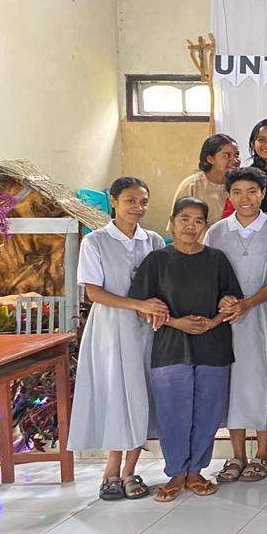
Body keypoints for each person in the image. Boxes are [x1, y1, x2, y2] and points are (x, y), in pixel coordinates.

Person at [129, 197, 243, 502]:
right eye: (184, 219)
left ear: (206, 225)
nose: (191, 227)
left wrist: (214, 320)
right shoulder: (157, 261)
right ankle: (176, 472)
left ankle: (197, 471)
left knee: (207, 410)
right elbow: (142, 306)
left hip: (213, 343)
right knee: (172, 411)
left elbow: (232, 300)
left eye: (198, 221)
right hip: (170, 346)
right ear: (172, 221)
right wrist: (177, 323)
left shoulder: (216, 259)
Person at [70, 176, 167, 501]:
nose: (137, 208)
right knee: (116, 396)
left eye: (142, 202)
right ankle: (110, 471)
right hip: (110, 330)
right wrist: (136, 303)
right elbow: (94, 291)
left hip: (144, 332)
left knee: (139, 396)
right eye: (130, 200)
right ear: (113, 201)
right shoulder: (95, 242)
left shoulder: (152, 240)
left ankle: (129, 471)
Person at [205, 168, 267, 484]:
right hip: (227, 317)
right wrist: (225, 302)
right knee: (234, 382)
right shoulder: (215, 232)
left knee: (263, 377)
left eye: (252, 191)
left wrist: (249, 302)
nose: (245, 198)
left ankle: (262, 454)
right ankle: (237, 454)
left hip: (263, 313)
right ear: (229, 195)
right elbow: (208, 274)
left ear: (263, 194)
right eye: (238, 191)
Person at [169, 134, 240, 232]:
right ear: (210, 159)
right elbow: (176, 226)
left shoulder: (240, 185)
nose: (235, 160)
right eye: (227, 155)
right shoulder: (191, 186)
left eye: (237, 155)